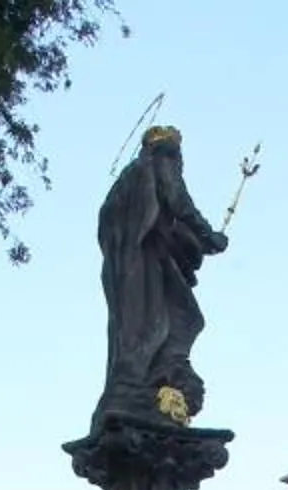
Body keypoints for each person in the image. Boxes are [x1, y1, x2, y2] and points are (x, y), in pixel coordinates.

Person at [93, 126, 228, 428]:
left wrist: (186, 244)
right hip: (144, 265)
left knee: (132, 331)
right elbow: (177, 200)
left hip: (123, 269)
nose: (178, 164)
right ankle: (141, 384)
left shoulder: (125, 182)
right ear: (166, 152)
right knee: (175, 321)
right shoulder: (157, 165)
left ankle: (136, 386)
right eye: (177, 157)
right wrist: (208, 236)